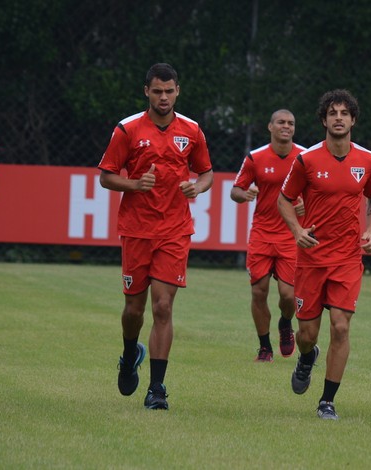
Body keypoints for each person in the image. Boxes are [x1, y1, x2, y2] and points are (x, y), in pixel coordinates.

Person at [98, 63, 213, 410]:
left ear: (178, 90)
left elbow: (206, 172)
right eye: (157, 91)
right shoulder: (128, 129)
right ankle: (131, 351)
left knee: (163, 306)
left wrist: (197, 187)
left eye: (169, 91)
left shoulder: (192, 130)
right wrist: (134, 184)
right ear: (146, 91)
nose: (163, 97)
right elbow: (105, 176)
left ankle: (157, 389)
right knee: (134, 308)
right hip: (136, 230)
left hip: (175, 230)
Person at [278, 89, 371, 420]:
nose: (338, 118)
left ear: (353, 120)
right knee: (306, 335)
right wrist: (297, 230)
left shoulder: (368, 160)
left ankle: (327, 401)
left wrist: (370, 230)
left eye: (344, 113)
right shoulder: (306, 160)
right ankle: (307, 357)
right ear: (324, 120)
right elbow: (284, 200)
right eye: (332, 113)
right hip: (310, 259)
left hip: (348, 259)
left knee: (340, 326)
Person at [231, 110, 306, 362]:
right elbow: (235, 191)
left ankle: (285, 324)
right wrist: (245, 194)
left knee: (288, 295)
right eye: (281, 122)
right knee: (259, 292)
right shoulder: (256, 157)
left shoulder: (306, 157)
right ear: (270, 126)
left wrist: (307, 204)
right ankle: (265, 347)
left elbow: (319, 191)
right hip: (262, 233)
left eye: (291, 123)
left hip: (291, 235)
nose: (286, 126)